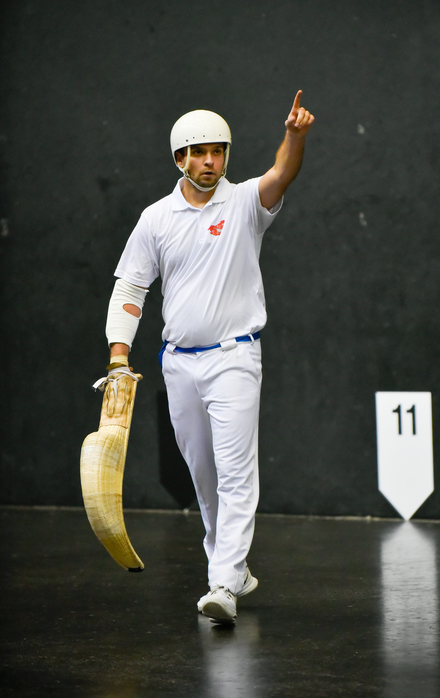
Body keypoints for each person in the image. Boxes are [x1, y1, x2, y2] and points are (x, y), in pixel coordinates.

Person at [104, 91, 315, 623]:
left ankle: (222, 582)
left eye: (217, 152)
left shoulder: (244, 203)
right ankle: (234, 569)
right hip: (179, 364)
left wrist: (293, 136)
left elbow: (281, 174)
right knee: (203, 474)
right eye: (199, 153)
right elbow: (130, 288)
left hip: (234, 359)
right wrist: (118, 358)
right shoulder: (156, 219)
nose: (210, 162)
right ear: (180, 158)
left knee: (235, 471)